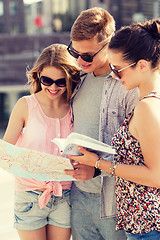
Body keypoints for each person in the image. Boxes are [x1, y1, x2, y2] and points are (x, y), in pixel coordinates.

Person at [68, 19, 160, 240]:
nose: (116, 76)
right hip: (140, 224)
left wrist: (98, 164)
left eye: (118, 70)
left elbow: (156, 176)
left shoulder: (146, 106)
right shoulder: (148, 101)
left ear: (142, 65)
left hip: (148, 226)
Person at [3, 43, 80, 240]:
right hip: (29, 196)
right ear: (38, 77)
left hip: (65, 197)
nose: (53, 87)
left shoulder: (74, 107)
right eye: (47, 80)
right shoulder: (25, 105)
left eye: (60, 82)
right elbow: (5, 153)